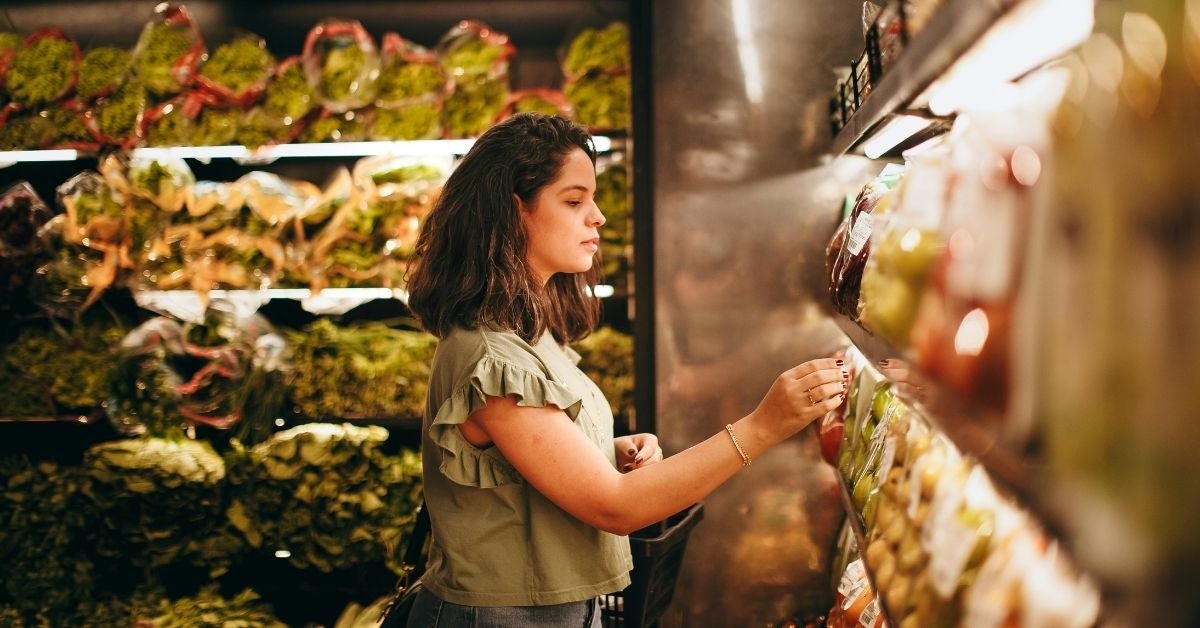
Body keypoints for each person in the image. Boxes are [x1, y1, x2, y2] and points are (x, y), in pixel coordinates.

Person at [403, 112, 847, 627]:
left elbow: (520, 466)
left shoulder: (529, 334)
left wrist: (604, 451)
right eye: (574, 201)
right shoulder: (490, 358)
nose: (598, 217)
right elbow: (616, 507)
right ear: (513, 211)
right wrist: (763, 426)